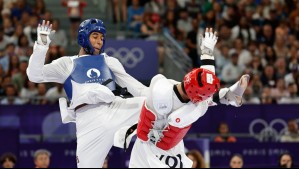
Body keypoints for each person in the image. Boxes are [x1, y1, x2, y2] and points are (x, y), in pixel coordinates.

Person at [114, 28, 250, 168]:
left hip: (163, 142)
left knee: (139, 89)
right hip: (154, 144)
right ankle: (228, 96)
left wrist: (207, 52)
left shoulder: (181, 85)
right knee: (138, 92)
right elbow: (152, 136)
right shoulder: (191, 109)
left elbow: (205, 82)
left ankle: (228, 96)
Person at [26, 19, 147, 168]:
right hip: (88, 120)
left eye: (102, 38)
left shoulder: (110, 61)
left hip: (115, 108)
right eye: (95, 36)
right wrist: (41, 46)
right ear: (83, 37)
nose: (100, 41)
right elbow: (35, 75)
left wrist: (159, 93)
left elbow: (137, 88)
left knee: (159, 103)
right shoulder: (67, 64)